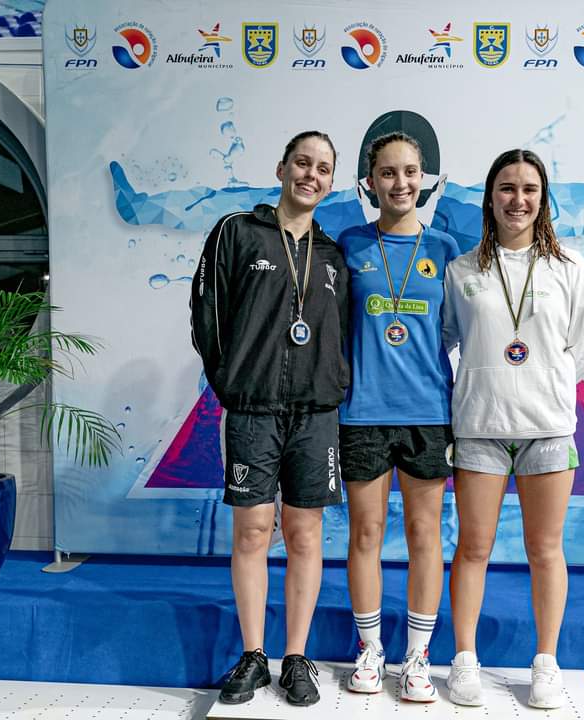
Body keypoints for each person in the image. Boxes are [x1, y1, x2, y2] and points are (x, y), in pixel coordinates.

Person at [189, 130, 349, 707]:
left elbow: (340, 336)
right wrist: (232, 384)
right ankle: (254, 655)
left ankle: (296, 657)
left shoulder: (333, 256)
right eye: (302, 163)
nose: (311, 175)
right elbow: (206, 315)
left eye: (323, 169)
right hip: (253, 410)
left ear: (331, 183)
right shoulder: (237, 232)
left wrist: (331, 385)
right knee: (254, 531)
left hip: (315, 414)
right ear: (282, 168)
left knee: (305, 533)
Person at [442, 149, 584, 709]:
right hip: (479, 427)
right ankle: (465, 658)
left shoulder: (573, 270)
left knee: (545, 548)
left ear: (543, 199)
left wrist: (541, 384)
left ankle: (546, 663)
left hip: (548, 429)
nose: (518, 200)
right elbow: (446, 340)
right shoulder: (462, 272)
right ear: (490, 198)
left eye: (529, 189)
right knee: (473, 547)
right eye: (507, 188)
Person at [337, 130, 460, 702]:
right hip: (362, 413)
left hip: (428, 413)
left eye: (410, 172)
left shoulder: (444, 249)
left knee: (423, 534)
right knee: (365, 533)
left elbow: (455, 331)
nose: (400, 183)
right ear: (370, 182)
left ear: (424, 179)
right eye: (388, 173)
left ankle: (417, 657)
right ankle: (369, 650)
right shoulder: (350, 244)